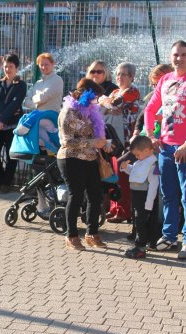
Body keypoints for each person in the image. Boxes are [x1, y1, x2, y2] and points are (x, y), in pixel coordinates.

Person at [144, 40, 186, 257]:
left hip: (184, 148)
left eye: (183, 55)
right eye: (175, 55)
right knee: (168, 195)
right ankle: (169, 237)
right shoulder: (166, 80)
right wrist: (151, 135)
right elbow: (150, 109)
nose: (178, 58)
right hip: (166, 147)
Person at [57, 78, 107, 251]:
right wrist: (93, 142)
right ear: (85, 94)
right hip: (71, 158)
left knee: (95, 195)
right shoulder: (68, 111)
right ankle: (71, 235)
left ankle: (92, 233)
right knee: (76, 196)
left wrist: (103, 143)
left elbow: (95, 134)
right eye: (94, 97)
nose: (96, 101)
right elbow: (67, 141)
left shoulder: (90, 111)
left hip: (90, 158)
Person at [99, 62, 141, 224]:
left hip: (125, 139)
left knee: (123, 175)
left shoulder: (132, 91)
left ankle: (124, 211)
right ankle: (114, 207)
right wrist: (107, 103)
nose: (120, 77)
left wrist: (108, 103)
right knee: (113, 173)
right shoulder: (116, 91)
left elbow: (114, 104)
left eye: (124, 74)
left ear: (131, 77)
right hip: (113, 137)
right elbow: (102, 103)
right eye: (118, 74)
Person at [0, 53, 27, 194]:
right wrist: (6, 109)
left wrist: (3, 119)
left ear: (16, 68)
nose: (7, 69)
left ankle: (6, 183)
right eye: (5, 66)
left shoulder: (21, 85)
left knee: (11, 155)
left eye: (10, 66)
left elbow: (16, 104)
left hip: (12, 126)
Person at [120, 136, 159, 259]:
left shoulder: (152, 164)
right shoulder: (140, 161)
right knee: (137, 220)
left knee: (141, 221)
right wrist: (126, 168)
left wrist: (149, 203)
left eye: (137, 154)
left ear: (147, 150)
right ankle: (141, 244)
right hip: (137, 196)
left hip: (145, 198)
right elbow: (135, 173)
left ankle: (141, 246)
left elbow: (154, 185)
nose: (136, 157)